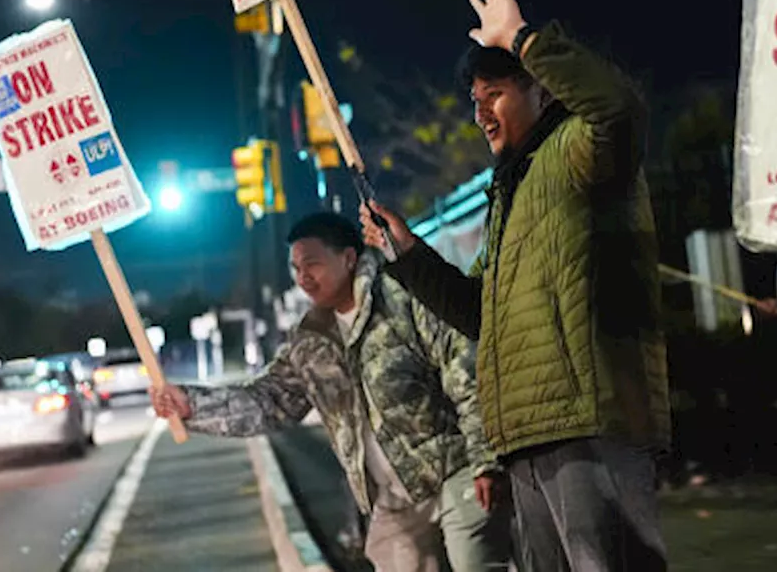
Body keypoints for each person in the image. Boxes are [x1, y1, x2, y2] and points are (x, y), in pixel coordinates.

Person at [359, 0, 670, 571]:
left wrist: (522, 37)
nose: (481, 113)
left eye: (494, 93)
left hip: (589, 422)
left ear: (542, 89)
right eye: (475, 101)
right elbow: (481, 314)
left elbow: (618, 109)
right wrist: (408, 254)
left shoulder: (579, 153)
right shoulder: (511, 193)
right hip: (527, 433)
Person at [149, 212, 511, 572]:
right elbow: (268, 401)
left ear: (349, 258)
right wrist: (191, 405)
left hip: (456, 472)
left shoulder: (402, 297)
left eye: (312, 264)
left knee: (475, 564)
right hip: (393, 500)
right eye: (295, 268)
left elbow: (464, 370)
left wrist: (484, 461)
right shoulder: (309, 341)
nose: (303, 278)